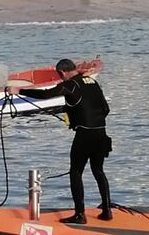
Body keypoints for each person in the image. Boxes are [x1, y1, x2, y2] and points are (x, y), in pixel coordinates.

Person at [9, 59, 112, 225]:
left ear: (62, 73)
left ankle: (80, 215)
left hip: (85, 135)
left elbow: (45, 95)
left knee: (76, 172)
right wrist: (79, 118)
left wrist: (18, 90)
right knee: (98, 170)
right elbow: (105, 109)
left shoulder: (70, 84)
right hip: (101, 133)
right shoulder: (93, 82)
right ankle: (107, 211)